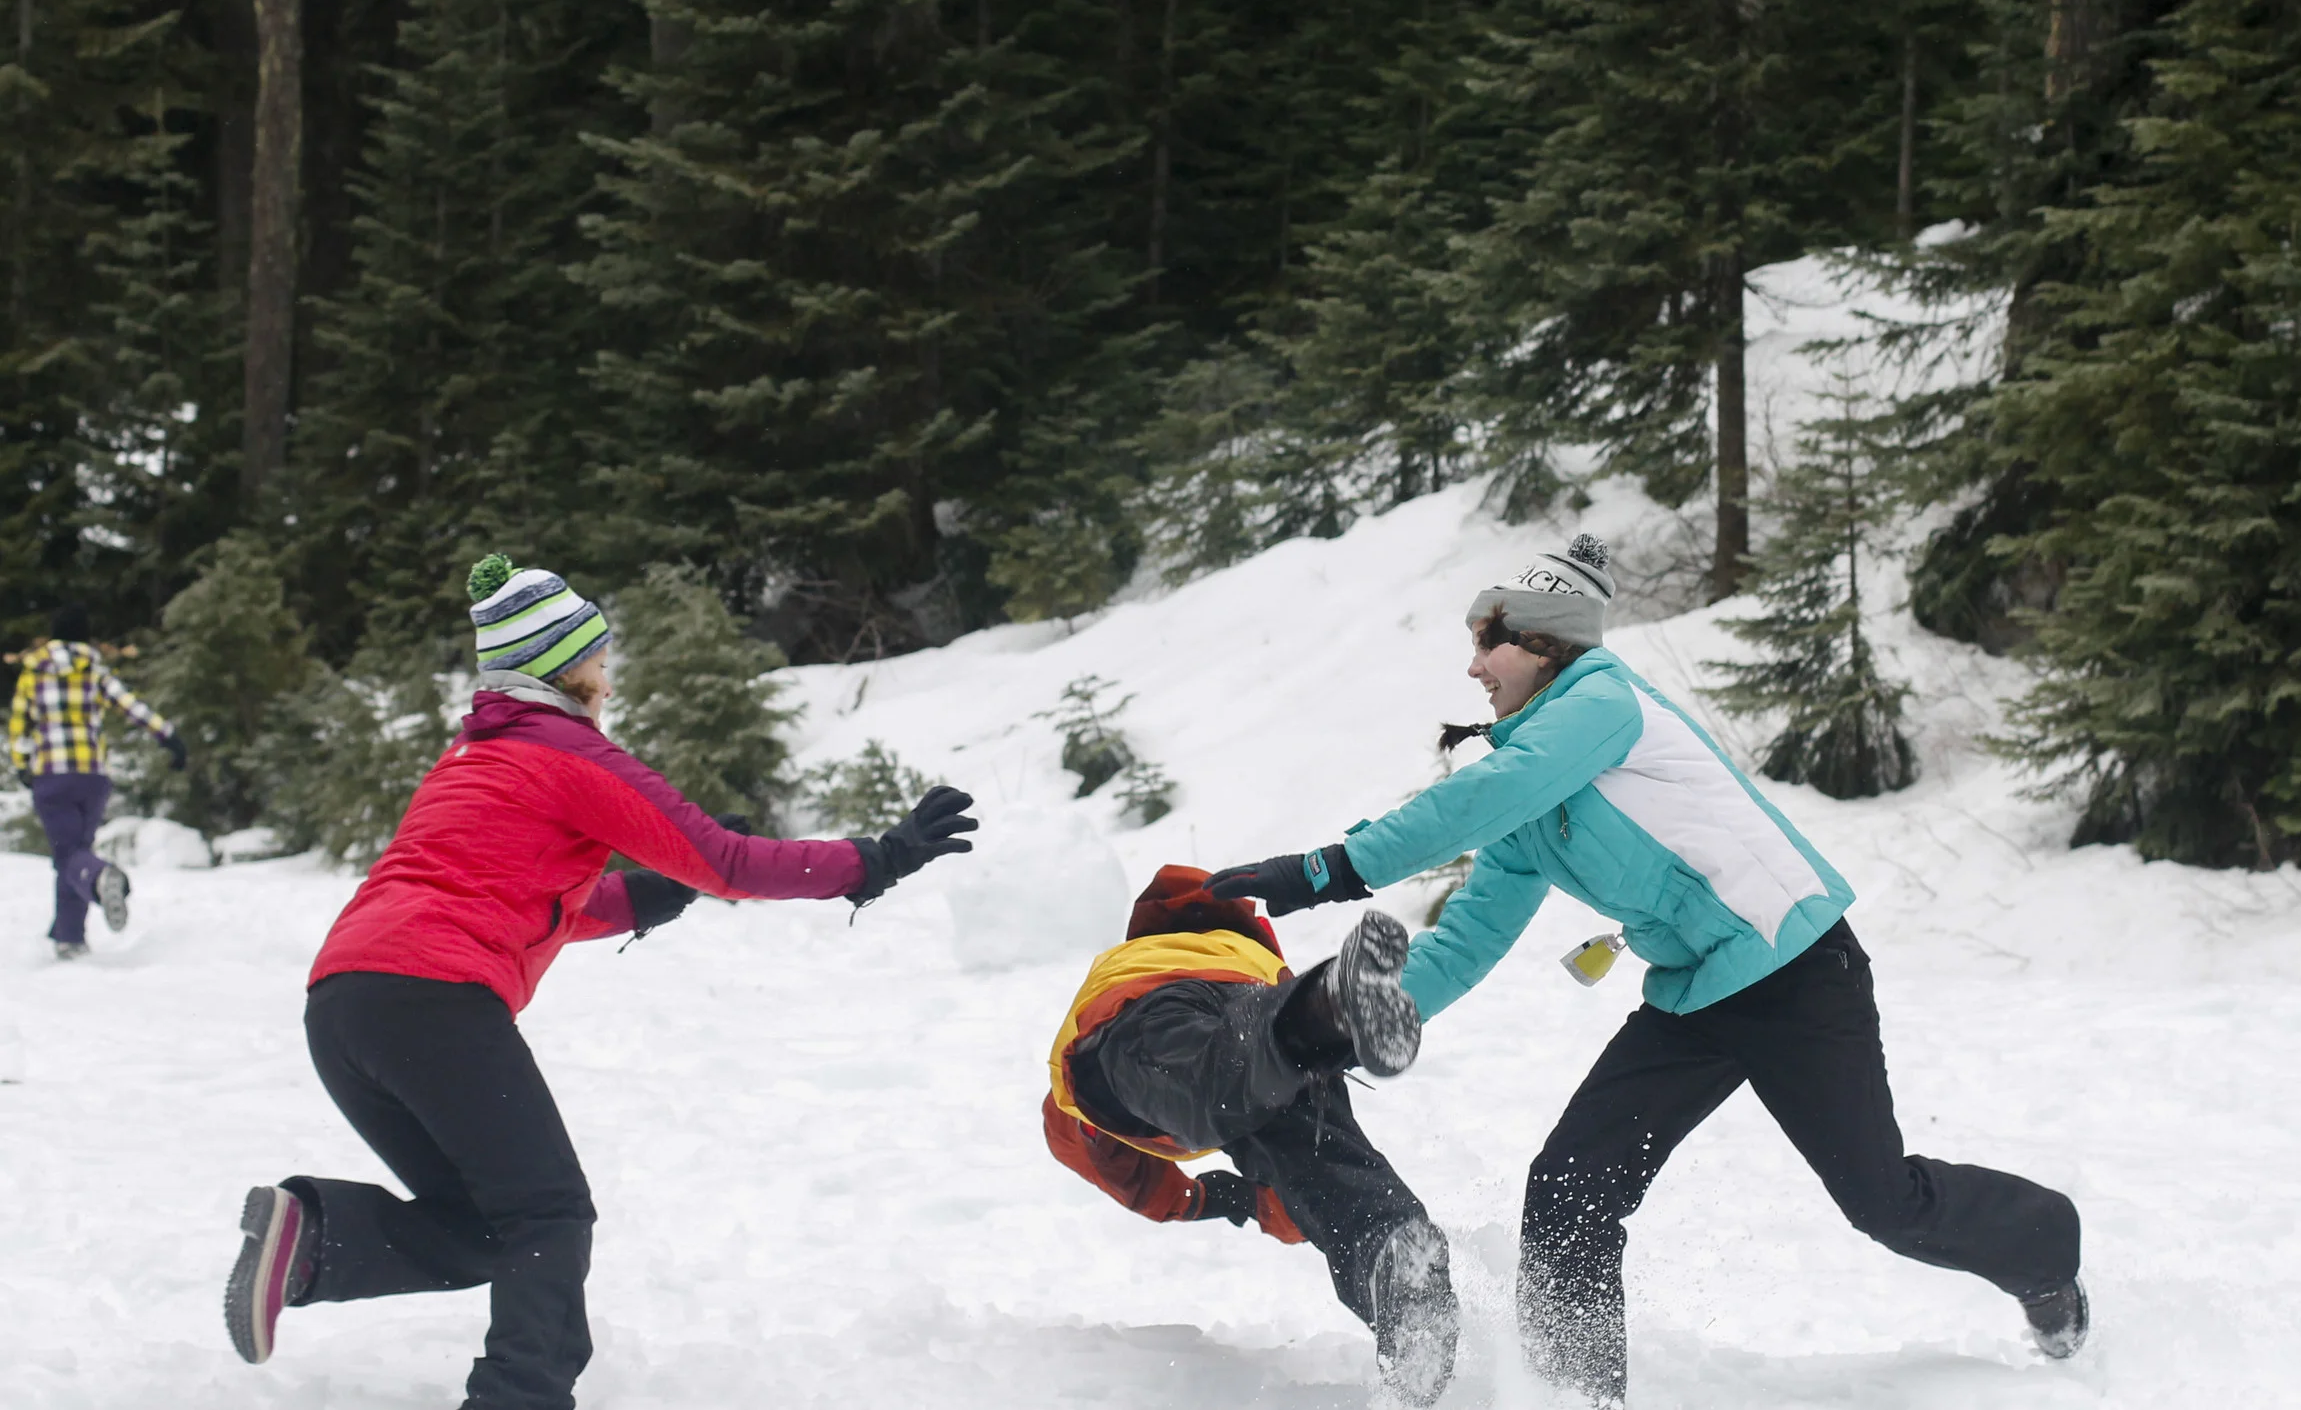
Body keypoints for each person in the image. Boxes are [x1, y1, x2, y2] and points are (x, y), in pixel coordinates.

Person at [1210, 534, 2087, 1407]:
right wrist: (1359, 1020)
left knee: (1882, 1201)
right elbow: (1472, 932)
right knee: (1568, 1186)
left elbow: (1475, 796)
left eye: (1491, 642)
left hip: (1794, 970)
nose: (1473, 665)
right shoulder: (1530, 785)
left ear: (1547, 645)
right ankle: (1576, 1393)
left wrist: (1324, 869)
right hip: (1696, 994)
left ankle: (2044, 1245)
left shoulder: (1603, 703)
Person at [220, 555, 980, 1410]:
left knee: (487, 1224)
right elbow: (727, 859)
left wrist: (660, 891)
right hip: (432, 997)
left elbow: (540, 904)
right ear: (565, 665)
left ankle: (316, 1238)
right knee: (548, 1214)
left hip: (345, 1008)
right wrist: (876, 858)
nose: (609, 675)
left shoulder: (474, 758)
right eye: (599, 657)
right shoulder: (567, 752)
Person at [1044, 864, 1460, 1406]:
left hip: (1140, 1011)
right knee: (1320, 1154)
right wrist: (1270, 1203)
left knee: (1200, 1081)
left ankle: (1316, 1014)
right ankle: (1391, 1251)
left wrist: (1202, 1200)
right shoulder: (1250, 956)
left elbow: (1097, 1154)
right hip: (1264, 998)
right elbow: (1302, 1188)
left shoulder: (1134, 960)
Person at [7, 602, 186, 958]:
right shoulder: (94, 672)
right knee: (74, 852)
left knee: (70, 854)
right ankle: (69, 937)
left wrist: (21, 764)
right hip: (92, 777)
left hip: (52, 775)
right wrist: (169, 738)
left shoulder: (35, 671)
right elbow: (132, 706)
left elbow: (18, 724)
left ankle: (100, 879)